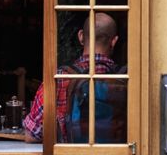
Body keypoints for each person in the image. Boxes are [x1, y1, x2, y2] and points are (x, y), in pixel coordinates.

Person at [24, 11, 121, 144]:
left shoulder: (60, 78)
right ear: (114, 41)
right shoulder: (126, 78)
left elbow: (32, 135)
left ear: (81, 36)